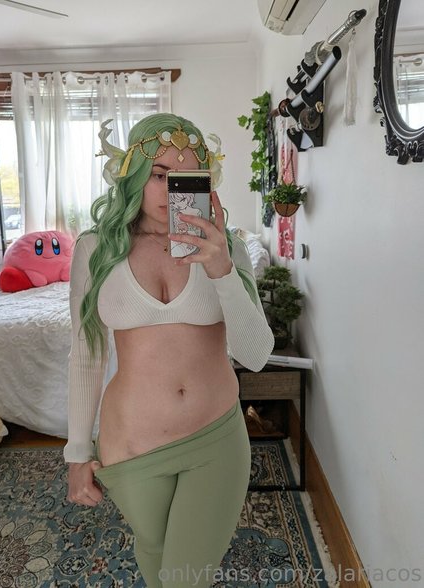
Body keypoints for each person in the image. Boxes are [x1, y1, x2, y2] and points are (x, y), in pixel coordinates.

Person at [64, 112, 275, 588]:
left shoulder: (227, 249)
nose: (169, 190)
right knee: (157, 562)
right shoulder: (96, 249)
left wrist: (222, 271)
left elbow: (256, 354)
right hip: (130, 449)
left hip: (215, 439)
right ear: (134, 174)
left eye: (186, 178)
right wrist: (77, 452)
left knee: (183, 578)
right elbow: (86, 356)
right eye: (159, 175)